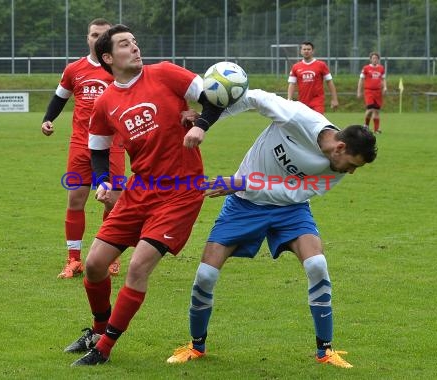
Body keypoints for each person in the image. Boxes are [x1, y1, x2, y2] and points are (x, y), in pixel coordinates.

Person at [166, 89, 378, 369]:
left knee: (317, 266)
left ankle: (325, 351)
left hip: (290, 209)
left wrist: (242, 182)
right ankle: (196, 345)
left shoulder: (335, 171)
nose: (351, 172)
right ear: (340, 148)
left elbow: (293, 193)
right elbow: (252, 97)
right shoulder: (299, 117)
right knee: (205, 274)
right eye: (352, 165)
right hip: (243, 205)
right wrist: (206, 120)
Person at [64, 24, 225, 366]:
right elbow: (98, 146)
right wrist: (104, 181)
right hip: (140, 189)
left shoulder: (166, 73)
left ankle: (104, 349)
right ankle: (97, 328)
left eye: (135, 42)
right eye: (125, 45)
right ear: (108, 57)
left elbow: (216, 96)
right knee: (93, 265)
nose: (135, 48)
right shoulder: (107, 101)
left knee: (137, 268)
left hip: (180, 190)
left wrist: (201, 123)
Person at [41, 18, 124, 279]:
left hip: (113, 146)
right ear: (87, 38)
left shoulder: (119, 70)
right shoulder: (74, 69)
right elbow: (59, 98)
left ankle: (110, 257)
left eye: (103, 35)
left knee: (113, 201)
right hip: (81, 145)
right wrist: (48, 119)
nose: (97, 38)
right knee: (75, 200)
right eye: (93, 34)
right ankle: (73, 260)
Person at [287, 41, 339, 114]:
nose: (306, 51)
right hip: (302, 103)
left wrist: (334, 99)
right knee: (304, 124)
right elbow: (292, 84)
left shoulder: (321, 65)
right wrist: (289, 100)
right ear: (301, 51)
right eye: (304, 49)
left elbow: (329, 82)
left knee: (318, 123)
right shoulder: (296, 67)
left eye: (308, 49)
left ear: (313, 51)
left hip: (317, 102)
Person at [357, 52, 387, 134]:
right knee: (370, 109)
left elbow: (383, 79)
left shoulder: (381, 68)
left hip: (378, 92)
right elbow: (361, 80)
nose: (375, 60)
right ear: (370, 59)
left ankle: (376, 129)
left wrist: (384, 87)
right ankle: (366, 126)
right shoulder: (366, 68)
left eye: (376, 58)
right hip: (368, 91)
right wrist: (359, 91)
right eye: (373, 58)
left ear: (378, 59)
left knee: (376, 111)